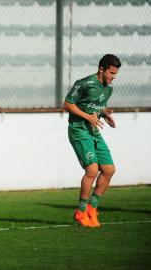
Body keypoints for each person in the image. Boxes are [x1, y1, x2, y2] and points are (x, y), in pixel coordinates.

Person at [63, 54, 121, 227]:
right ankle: (81, 212)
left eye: (116, 74)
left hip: (94, 131)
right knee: (92, 170)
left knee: (109, 170)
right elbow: (67, 104)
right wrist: (88, 117)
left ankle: (92, 208)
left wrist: (104, 114)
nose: (113, 77)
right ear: (101, 69)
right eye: (111, 73)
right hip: (79, 130)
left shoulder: (108, 88)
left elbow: (95, 105)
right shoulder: (84, 84)